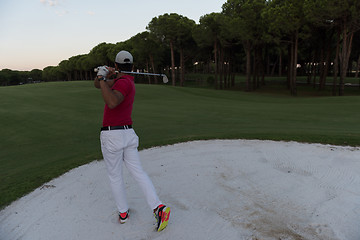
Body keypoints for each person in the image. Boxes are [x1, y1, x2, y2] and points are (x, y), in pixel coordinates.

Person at [94, 50, 170, 231]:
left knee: (115, 176)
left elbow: (112, 102)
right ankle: (158, 208)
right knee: (139, 173)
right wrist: (103, 75)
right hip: (127, 135)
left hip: (113, 136)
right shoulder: (123, 81)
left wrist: (103, 78)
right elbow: (98, 86)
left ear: (118, 65)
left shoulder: (124, 83)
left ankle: (123, 213)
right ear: (133, 67)